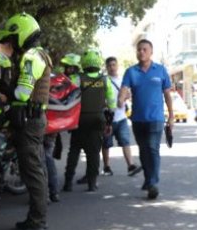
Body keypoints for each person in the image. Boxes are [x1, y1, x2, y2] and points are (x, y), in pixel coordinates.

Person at [0, 12, 51, 230]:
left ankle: (37, 222)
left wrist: (2, 87)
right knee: (36, 169)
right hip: (33, 119)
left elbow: (22, 93)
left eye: (11, 38)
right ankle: (37, 218)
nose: (9, 43)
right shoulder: (38, 55)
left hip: (29, 121)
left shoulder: (31, 58)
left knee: (32, 171)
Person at [117, 39, 173, 200]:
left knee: (153, 148)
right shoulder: (131, 72)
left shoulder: (161, 70)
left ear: (151, 51)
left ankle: (153, 183)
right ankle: (148, 179)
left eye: (144, 49)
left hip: (156, 118)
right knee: (143, 150)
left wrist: (171, 117)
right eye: (139, 49)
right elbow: (123, 90)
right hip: (138, 119)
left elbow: (167, 95)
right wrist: (121, 100)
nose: (141, 52)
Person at [63, 50, 110, 192]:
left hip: (80, 119)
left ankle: (68, 182)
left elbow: (69, 95)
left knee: (75, 150)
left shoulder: (78, 78)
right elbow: (112, 102)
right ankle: (92, 183)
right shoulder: (104, 79)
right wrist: (109, 121)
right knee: (94, 152)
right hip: (98, 119)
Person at [101, 56, 141, 177]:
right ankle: (107, 167)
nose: (112, 67)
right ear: (106, 67)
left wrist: (127, 96)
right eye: (110, 65)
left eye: (114, 65)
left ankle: (130, 165)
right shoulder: (103, 81)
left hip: (121, 117)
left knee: (125, 141)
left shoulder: (123, 81)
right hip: (107, 118)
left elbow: (127, 94)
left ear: (117, 66)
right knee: (106, 144)